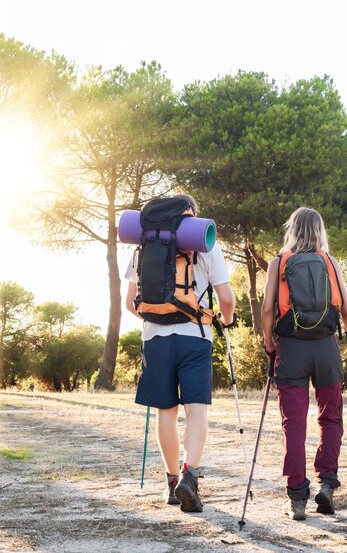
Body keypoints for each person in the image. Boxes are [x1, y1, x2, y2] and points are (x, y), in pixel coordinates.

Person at [125, 193, 235, 512]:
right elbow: (226, 299)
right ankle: (191, 476)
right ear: (194, 217)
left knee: (165, 413)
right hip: (195, 337)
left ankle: (172, 484)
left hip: (155, 339)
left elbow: (129, 302)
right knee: (196, 409)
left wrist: (154, 318)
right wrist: (225, 321)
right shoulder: (205, 244)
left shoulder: (143, 246)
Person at [261, 207, 347, 521]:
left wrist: (268, 342)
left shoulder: (279, 262)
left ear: (292, 230)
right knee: (330, 419)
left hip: (291, 350)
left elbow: (266, 310)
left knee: (294, 425)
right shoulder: (330, 261)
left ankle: (297, 497)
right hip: (326, 349)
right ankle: (327, 483)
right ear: (320, 231)